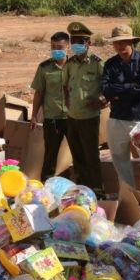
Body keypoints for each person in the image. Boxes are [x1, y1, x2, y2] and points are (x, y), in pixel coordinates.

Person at [101, 24, 140, 191]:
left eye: (123, 42)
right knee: (120, 160)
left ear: (132, 42)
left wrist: (118, 90)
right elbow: (105, 89)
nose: (119, 46)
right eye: (116, 43)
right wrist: (131, 87)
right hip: (117, 118)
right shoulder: (110, 64)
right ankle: (129, 196)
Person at [61, 22, 106, 195]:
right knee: (77, 155)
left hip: (89, 117)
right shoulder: (70, 63)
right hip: (72, 117)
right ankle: (82, 189)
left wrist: (102, 101)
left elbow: (107, 86)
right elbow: (65, 85)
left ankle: (97, 189)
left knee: (91, 155)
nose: (76, 45)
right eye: (73, 41)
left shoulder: (97, 64)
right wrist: (68, 104)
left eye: (80, 41)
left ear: (89, 43)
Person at [30, 31, 70, 181]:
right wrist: (34, 116)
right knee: (50, 156)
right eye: (53, 47)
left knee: (78, 154)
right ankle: (46, 187)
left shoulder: (75, 66)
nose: (56, 51)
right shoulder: (44, 68)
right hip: (52, 119)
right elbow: (39, 93)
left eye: (60, 47)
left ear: (68, 47)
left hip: (73, 118)